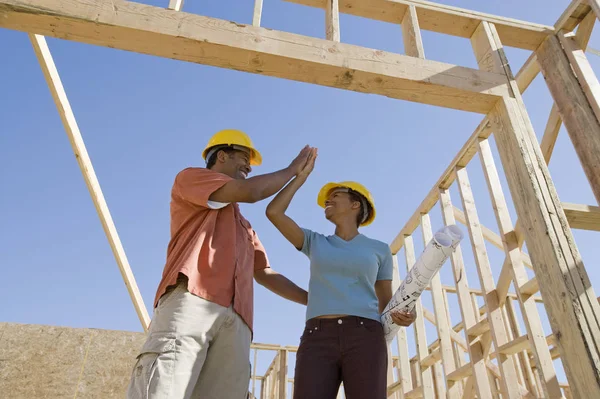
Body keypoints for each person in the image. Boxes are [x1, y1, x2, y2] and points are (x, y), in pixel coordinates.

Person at [127, 129, 312, 399]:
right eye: (244, 158)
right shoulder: (190, 179)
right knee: (164, 389)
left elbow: (266, 274)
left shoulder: (244, 227)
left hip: (237, 320)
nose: (248, 166)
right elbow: (251, 191)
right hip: (192, 301)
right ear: (222, 155)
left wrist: (316, 300)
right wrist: (292, 170)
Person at [265, 148, 417, 399]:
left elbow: (386, 304)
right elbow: (274, 213)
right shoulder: (315, 242)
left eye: (335, 195)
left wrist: (406, 314)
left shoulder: (379, 250)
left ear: (355, 204)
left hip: (365, 335)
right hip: (317, 336)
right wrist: (299, 178)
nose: (328, 201)